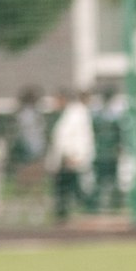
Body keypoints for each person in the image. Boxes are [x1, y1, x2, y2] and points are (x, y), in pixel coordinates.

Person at [47, 92, 93, 221]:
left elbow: (78, 137)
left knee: (74, 189)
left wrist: (74, 155)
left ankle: (84, 212)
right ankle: (64, 216)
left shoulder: (76, 114)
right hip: (64, 160)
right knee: (65, 190)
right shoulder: (65, 115)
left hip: (71, 159)